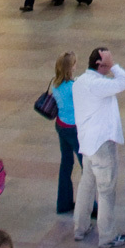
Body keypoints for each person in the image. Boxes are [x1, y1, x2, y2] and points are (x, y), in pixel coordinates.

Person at [71, 48, 125, 248]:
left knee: (86, 185)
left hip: (87, 143)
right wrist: (114, 65)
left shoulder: (79, 82)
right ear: (99, 64)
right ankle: (107, 236)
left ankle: (80, 227)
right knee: (106, 191)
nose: (110, 66)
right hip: (102, 145)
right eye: (106, 63)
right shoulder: (98, 84)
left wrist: (109, 62)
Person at [48, 55, 79, 218]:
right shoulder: (73, 86)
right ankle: (90, 205)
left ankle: (63, 203)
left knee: (66, 164)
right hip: (74, 128)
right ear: (70, 68)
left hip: (61, 126)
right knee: (86, 166)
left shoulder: (55, 83)